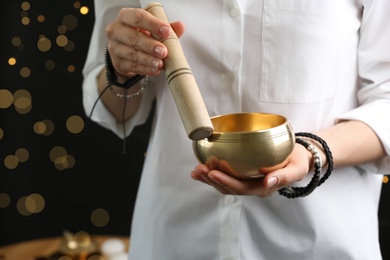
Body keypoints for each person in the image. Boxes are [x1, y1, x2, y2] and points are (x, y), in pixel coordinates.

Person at [82, 1, 390, 259]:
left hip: (321, 244)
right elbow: (108, 110)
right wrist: (121, 69)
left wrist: (311, 152)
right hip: (177, 238)